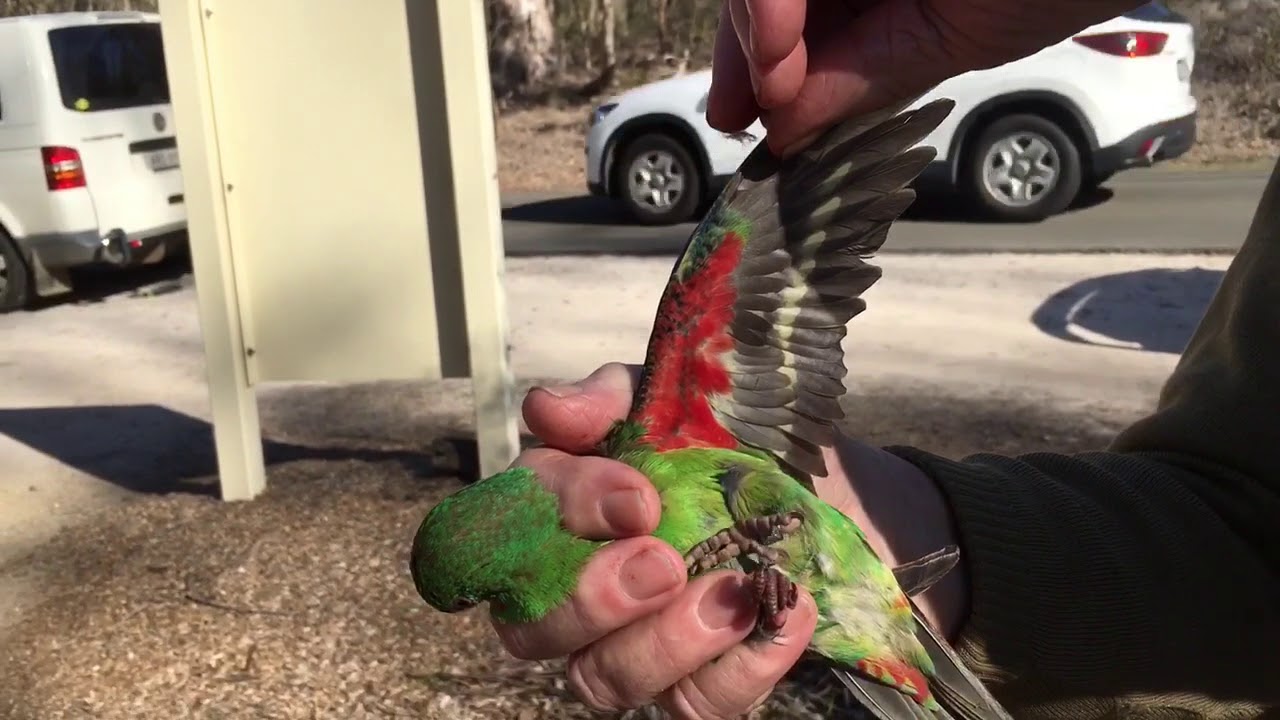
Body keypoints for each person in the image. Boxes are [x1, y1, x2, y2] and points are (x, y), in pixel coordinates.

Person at [486, 1, 1280, 718]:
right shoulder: (671, 439)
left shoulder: (671, 422)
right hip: (868, 599)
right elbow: (1241, 521)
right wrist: (908, 528)